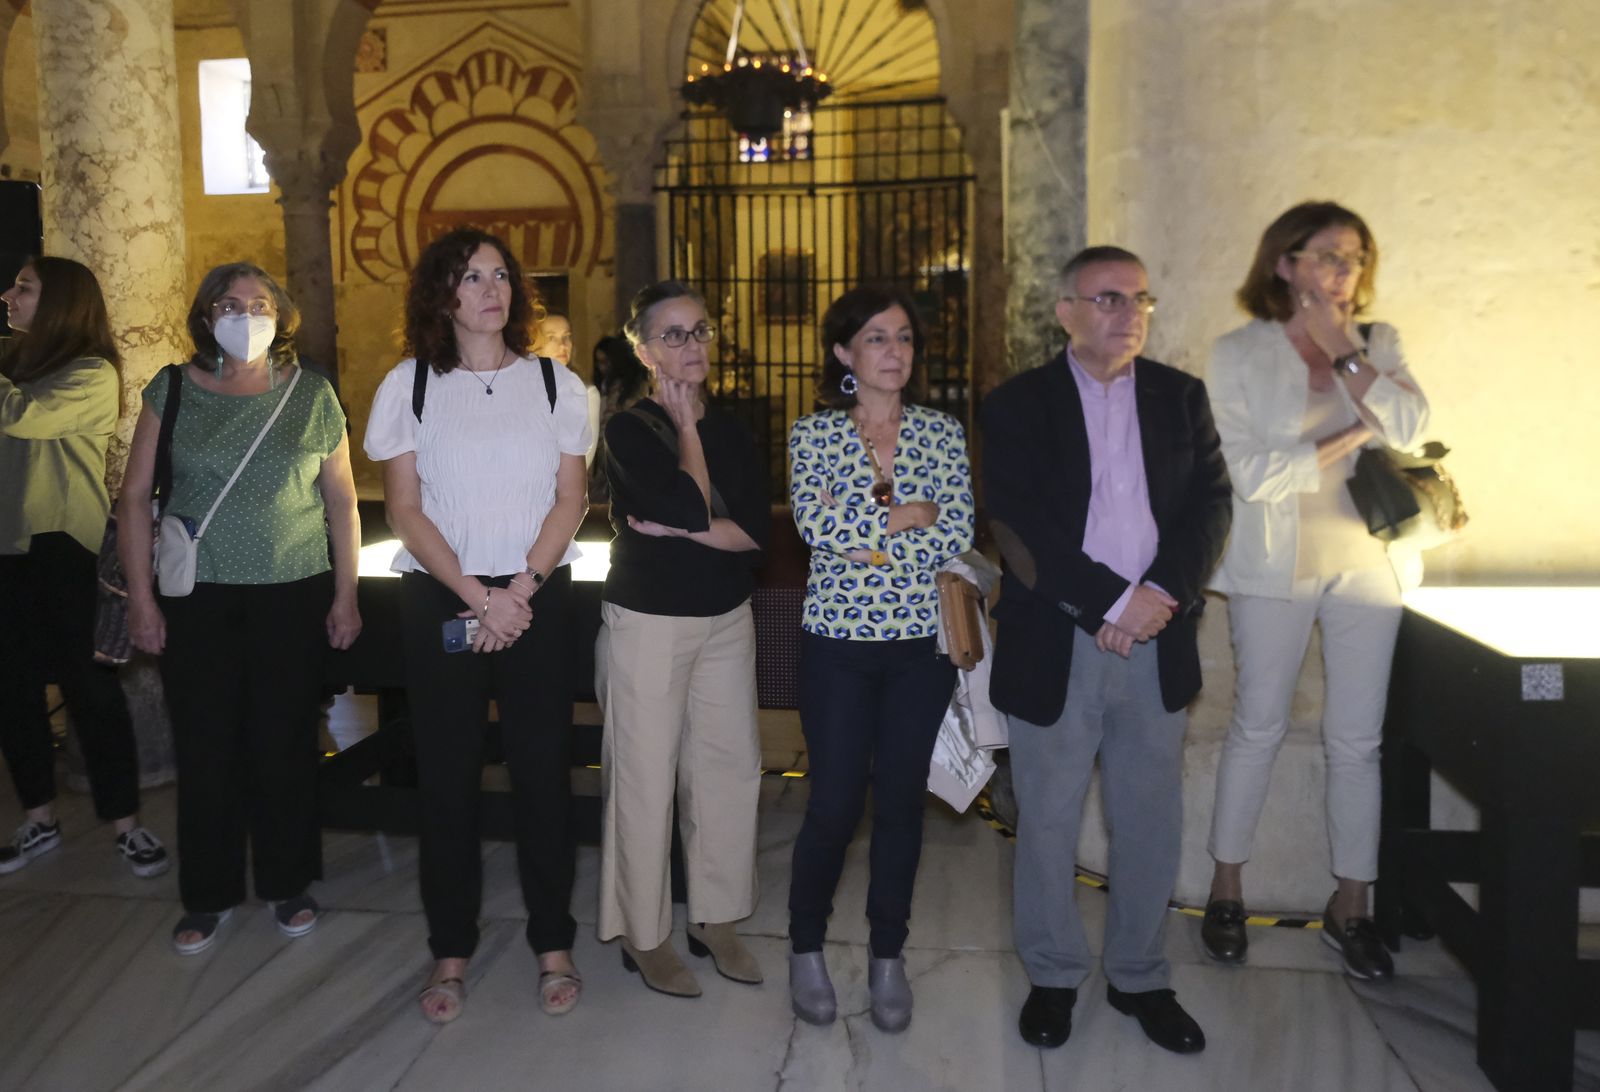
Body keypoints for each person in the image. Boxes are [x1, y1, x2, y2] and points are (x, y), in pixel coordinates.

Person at [982, 246, 1231, 1055]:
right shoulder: (1019, 403)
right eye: (1108, 298)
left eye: (1140, 300)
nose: (1128, 314)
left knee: (1150, 818)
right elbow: (1017, 524)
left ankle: (1139, 976)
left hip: (1156, 638)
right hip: (1060, 636)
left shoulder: (1180, 396)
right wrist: (1112, 602)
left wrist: (1160, 594)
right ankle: (1054, 975)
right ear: (1066, 311)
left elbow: (1209, 504)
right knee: (1049, 819)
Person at [364, 228, 590, 1023]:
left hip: (535, 598)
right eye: (470, 277)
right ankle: (450, 949)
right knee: (449, 781)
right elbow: (404, 509)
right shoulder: (410, 386)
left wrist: (519, 587)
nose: (490, 289)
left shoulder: (559, 385)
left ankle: (553, 942)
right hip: (443, 598)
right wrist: (476, 595)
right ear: (442, 294)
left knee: (542, 778)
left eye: (500, 275)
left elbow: (572, 500)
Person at [1200, 202, 1429, 981]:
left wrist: (1346, 356)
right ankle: (1226, 888)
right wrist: (1356, 426)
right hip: (1274, 564)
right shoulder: (1237, 353)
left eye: (1356, 256)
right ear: (1284, 263)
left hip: (1369, 563)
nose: (1344, 269)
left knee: (1356, 741)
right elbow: (1254, 476)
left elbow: (1413, 422)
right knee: (1257, 726)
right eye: (1326, 253)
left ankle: (1352, 906)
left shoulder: (1377, 343)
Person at [118, 262, 361, 954]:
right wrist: (141, 597)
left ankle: (288, 882)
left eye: (258, 303)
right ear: (205, 315)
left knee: (283, 741)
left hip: (293, 588)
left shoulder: (311, 393)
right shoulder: (173, 389)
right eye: (229, 302)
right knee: (207, 744)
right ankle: (209, 892)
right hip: (199, 595)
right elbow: (135, 497)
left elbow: (340, 498)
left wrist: (346, 593)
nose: (244, 313)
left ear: (281, 316)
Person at [785, 285, 974, 1033]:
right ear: (843, 353)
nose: (895, 352)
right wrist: (902, 519)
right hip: (836, 644)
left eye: (903, 338)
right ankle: (805, 946)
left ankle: (888, 955)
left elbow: (952, 530)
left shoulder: (943, 432)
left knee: (899, 804)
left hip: (918, 648)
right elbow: (812, 522)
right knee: (833, 804)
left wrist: (867, 531)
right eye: (876, 338)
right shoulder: (814, 434)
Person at [595, 280, 769, 998]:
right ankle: (645, 935)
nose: (691, 346)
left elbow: (755, 532)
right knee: (643, 780)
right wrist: (687, 438)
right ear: (641, 346)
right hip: (650, 624)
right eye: (672, 334)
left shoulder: (737, 425)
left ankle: (717, 917)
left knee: (730, 771)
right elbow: (694, 505)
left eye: (699, 331)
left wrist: (689, 526)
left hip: (729, 620)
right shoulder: (628, 430)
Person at [0, 257, 168, 878]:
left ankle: (128, 824)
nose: (8, 296)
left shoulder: (91, 372)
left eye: (24, 287)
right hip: (6, 547)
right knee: (11, 690)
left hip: (62, 547)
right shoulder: (12, 364)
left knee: (89, 689)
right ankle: (38, 819)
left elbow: (21, 416)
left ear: (63, 301)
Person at [587, 333, 649, 503]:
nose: (602, 367)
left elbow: (611, 422)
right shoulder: (605, 385)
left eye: (605, 362)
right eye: (598, 362)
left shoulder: (625, 387)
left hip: (620, 453)